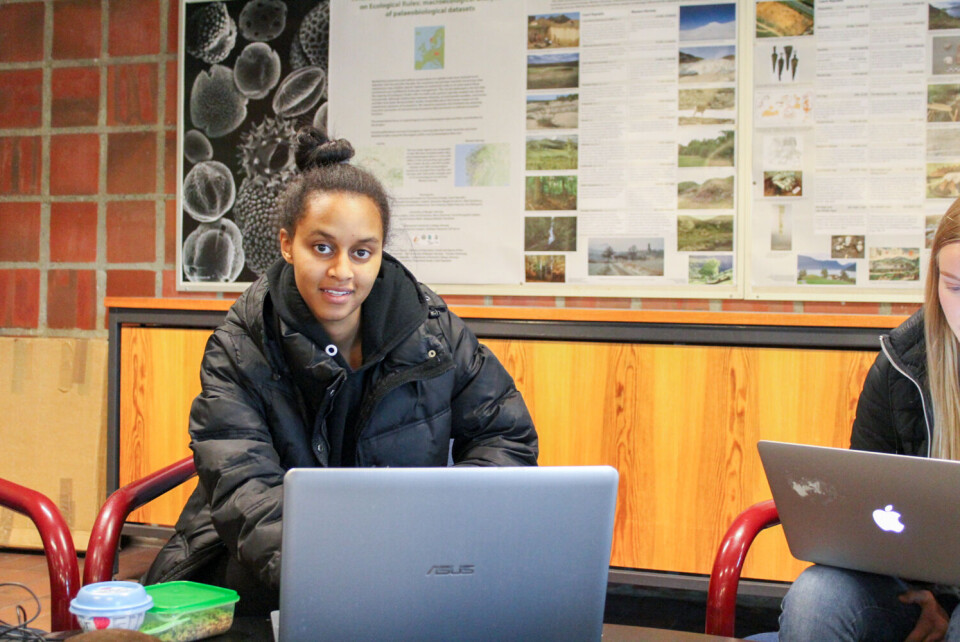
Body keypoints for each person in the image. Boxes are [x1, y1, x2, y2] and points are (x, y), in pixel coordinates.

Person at [143, 127, 539, 614]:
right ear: (288, 245)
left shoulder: (434, 332)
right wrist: (336, 578)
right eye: (323, 248)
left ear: (380, 252)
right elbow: (244, 488)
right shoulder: (240, 344)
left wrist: (442, 532)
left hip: (407, 568)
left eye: (362, 252)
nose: (342, 272)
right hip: (272, 570)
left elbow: (507, 439)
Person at [778, 197, 960, 641]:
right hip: (918, 589)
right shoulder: (902, 365)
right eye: (954, 286)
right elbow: (870, 517)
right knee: (817, 596)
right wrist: (927, 598)